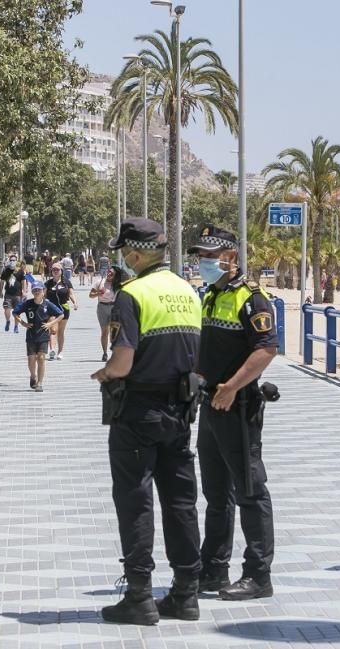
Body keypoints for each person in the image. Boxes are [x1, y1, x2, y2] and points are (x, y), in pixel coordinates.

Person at [90, 218, 203, 625]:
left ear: (135, 253)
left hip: (138, 411)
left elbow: (122, 361)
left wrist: (104, 373)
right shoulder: (188, 291)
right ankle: (186, 593)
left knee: (135, 501)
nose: (123, 258)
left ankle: (139, 597)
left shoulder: (132, 294)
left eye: (124, 252)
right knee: (180, 501)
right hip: (180, 411)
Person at [189, 225, 278, 601]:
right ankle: (213, 569)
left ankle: (258, 574)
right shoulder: (211, 296)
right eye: (202, 257)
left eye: (211, 256)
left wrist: (233, 387)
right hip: (211, 404)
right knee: (216, 493)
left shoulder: (252, 300)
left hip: (237, 406)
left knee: (250, 490)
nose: (205, 262)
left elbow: (266, 350)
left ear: (232, 257)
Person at [13, 279, 63, 392]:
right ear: (32, 291)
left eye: (39, 290)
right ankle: (33, 376)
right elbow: (15, 312)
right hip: (31, 334)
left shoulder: (47, 304)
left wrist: (50, 324)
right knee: (31, 359)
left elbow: (60, 314)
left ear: (43, 291)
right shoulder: (28, 303)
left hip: (43, 335)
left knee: (41, 358)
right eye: (34, 290)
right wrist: (23, 323)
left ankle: (40, 383)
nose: (37, 292)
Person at [89, 266, 124, 362]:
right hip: (102, 308)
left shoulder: (118, 284)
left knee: (114, 332)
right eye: (108, 272)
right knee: (104, 331)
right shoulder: (100, 282)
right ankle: (104, 353)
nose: (109, 274)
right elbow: (90, 295)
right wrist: (98, 294)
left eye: (111, 273)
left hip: (114, 308)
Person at [45, 262, 77, 360]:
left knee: (61, 331)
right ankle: (52, 350)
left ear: (61, 271)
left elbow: (71, 293)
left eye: (57, 269)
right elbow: (43, 295)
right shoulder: (48, 283)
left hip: (64, 309)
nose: (55, 271)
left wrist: (75, 303)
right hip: (51, 309)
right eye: (53, 269)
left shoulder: (66, 282)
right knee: (53, 330)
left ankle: (60, 352)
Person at [0, 253, 26, 334]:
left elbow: (23, 281)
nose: (12, 261)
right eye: (11, 260)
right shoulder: (6, 270)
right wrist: (0, 291)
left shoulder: (20, 271)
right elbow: (2, 281)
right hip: (8, 294)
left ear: (16, 261)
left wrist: (24, 291)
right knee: (7, 308)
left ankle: (16, 326)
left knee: (17, 311)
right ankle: (8, 321)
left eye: (14, 260)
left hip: (18, 294)